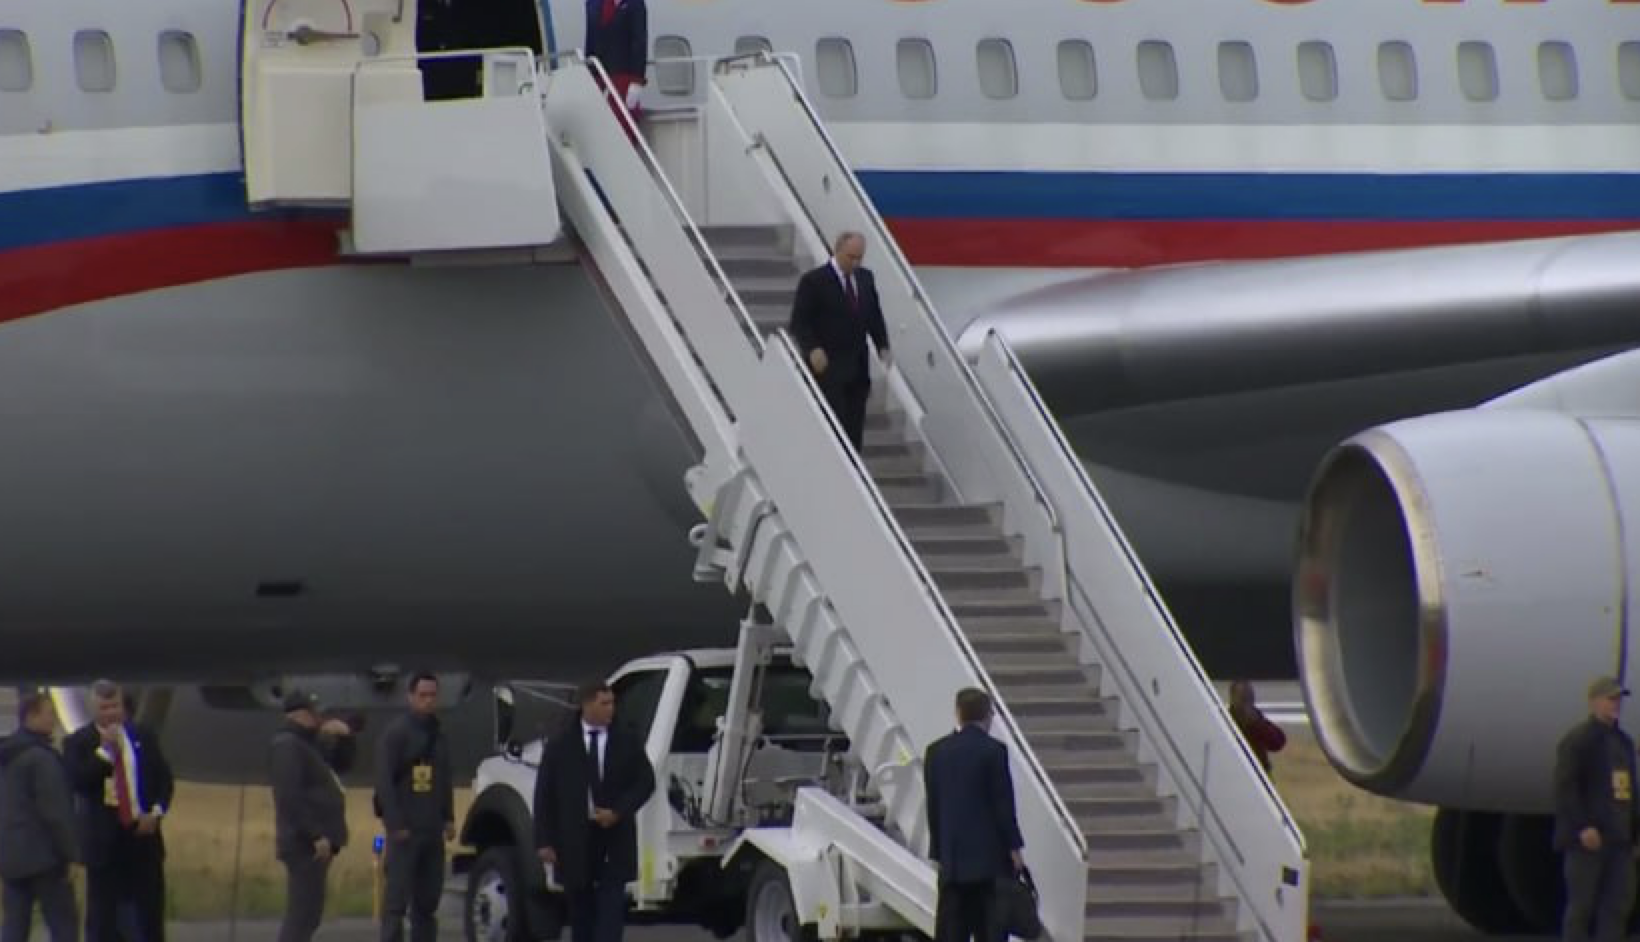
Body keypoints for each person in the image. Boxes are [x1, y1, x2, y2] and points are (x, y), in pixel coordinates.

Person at [533, 681, 656, 942]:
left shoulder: (626, 739)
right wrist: (544, 840)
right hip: (575, 838)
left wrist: (619, 811)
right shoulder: (561, 744)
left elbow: (645, 782)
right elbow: (545, 794)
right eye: (604, 703)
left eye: (612, 703)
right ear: (587, 705)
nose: (611, 709)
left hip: (614, 836)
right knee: (581, 913)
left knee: (611, 911)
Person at [63, 680, 173, 942]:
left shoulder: (143, 736)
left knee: (147, 916)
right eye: (104, 708)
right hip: (105, 845)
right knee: (105, 919)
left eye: (115, 706)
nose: (111, 713)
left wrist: (156, 812)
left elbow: (164, 780)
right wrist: (106, 753)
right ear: (94, 710)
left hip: (142, 840)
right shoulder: (79, 742)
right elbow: (79, 781)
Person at [924, 688, 1024, 942]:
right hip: (990, 864)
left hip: (953, 862)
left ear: (958, 713)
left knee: (951, 932)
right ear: (987, 716)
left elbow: (934, 806)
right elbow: (1003, 804)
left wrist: (938, 851)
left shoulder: (936, 752)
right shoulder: (994, 751)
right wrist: (1014, 848)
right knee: (989, 931)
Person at [1554, 675, 1640, 942]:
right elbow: (1565, 787)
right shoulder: (1578, 740)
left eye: (1618, 700)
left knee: (1617, 906)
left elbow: (1631, 793)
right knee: (1582, 907)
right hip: (1588, 841)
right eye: (1610, 699)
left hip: (1620, 841)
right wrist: (1583, 826)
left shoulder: (1624, 743)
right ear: (1593, 702)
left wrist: (1635, 834)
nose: (1615, 704)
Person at [788, 231, 891, 451]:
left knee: (854, 426)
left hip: (857, 367)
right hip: (829, 368)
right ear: (837, 251)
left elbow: (873, 315)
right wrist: (812, 348)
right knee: (834, 424)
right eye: (850, 257)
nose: (855, 263)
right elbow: (799, 322)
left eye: (859, 258)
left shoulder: (865, 278)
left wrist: (882, 344)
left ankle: (854, 465)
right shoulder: (814, 281)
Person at [269, 690, 358, 942]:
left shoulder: (308, 745)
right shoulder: (287, 746)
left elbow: (342, 765)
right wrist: (315, 834)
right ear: (299, 714)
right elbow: (289, 796)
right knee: (302, 915)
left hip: (317, 843)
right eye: (313, 712)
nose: (319, 717)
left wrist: (346, 737)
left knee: (310, 915)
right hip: (304, 844)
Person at [375, 673, 455, 942]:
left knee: (427, 902)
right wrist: (395, 823)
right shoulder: (396, 733)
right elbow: (384, 782)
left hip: (432, 829)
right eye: (423, 695)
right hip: (405, 831)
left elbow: (444, 778)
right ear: (410, 697)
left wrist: (448, 817)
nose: (428, 701)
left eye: (433, 695)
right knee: (396, 902)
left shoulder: (439, 734)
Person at [0, 692, 79, 942]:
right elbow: (56, 811)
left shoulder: (6, 756)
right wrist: (71, 854)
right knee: (63, 926)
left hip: (11, 857)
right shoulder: (41, 758)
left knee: (14, 927)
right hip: (46, 858)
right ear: (31, 716)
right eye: (49, 714)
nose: (53, 720)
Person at [584, 0, 648, 122]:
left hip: (623, 76)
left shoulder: (635, 4)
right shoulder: (592, 3)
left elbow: (639, 43)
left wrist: (637, 80)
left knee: (623, 122)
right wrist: (588, 74)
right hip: (599, 75)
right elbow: (590, 40)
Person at [1228, 681, 1287, 774]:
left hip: (1259, 773)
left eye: (1250, 698)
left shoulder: (1257, 720)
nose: (1246, 703)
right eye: (1243, 698)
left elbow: (1278, 743)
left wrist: (1258, 723)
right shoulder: (1225, 721)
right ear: (1232, 699)